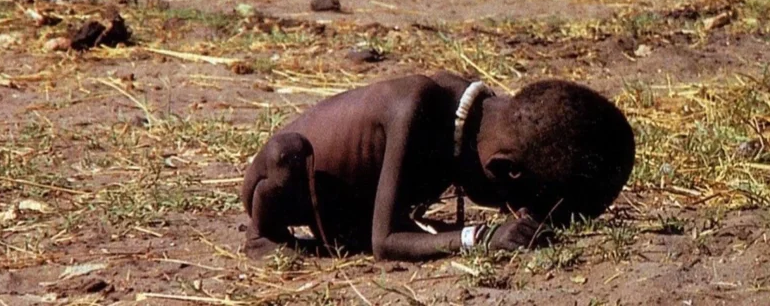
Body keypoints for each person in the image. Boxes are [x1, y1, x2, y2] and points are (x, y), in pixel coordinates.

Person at [240, 72, 635, 260]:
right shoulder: (416, 109)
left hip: (349, 207)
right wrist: (479, 237)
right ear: (503, 170)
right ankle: (264, 238)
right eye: (513, 204)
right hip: (286, 183)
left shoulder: (477, 119)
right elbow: (385, 242)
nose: (512, 213)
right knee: (284, 157)